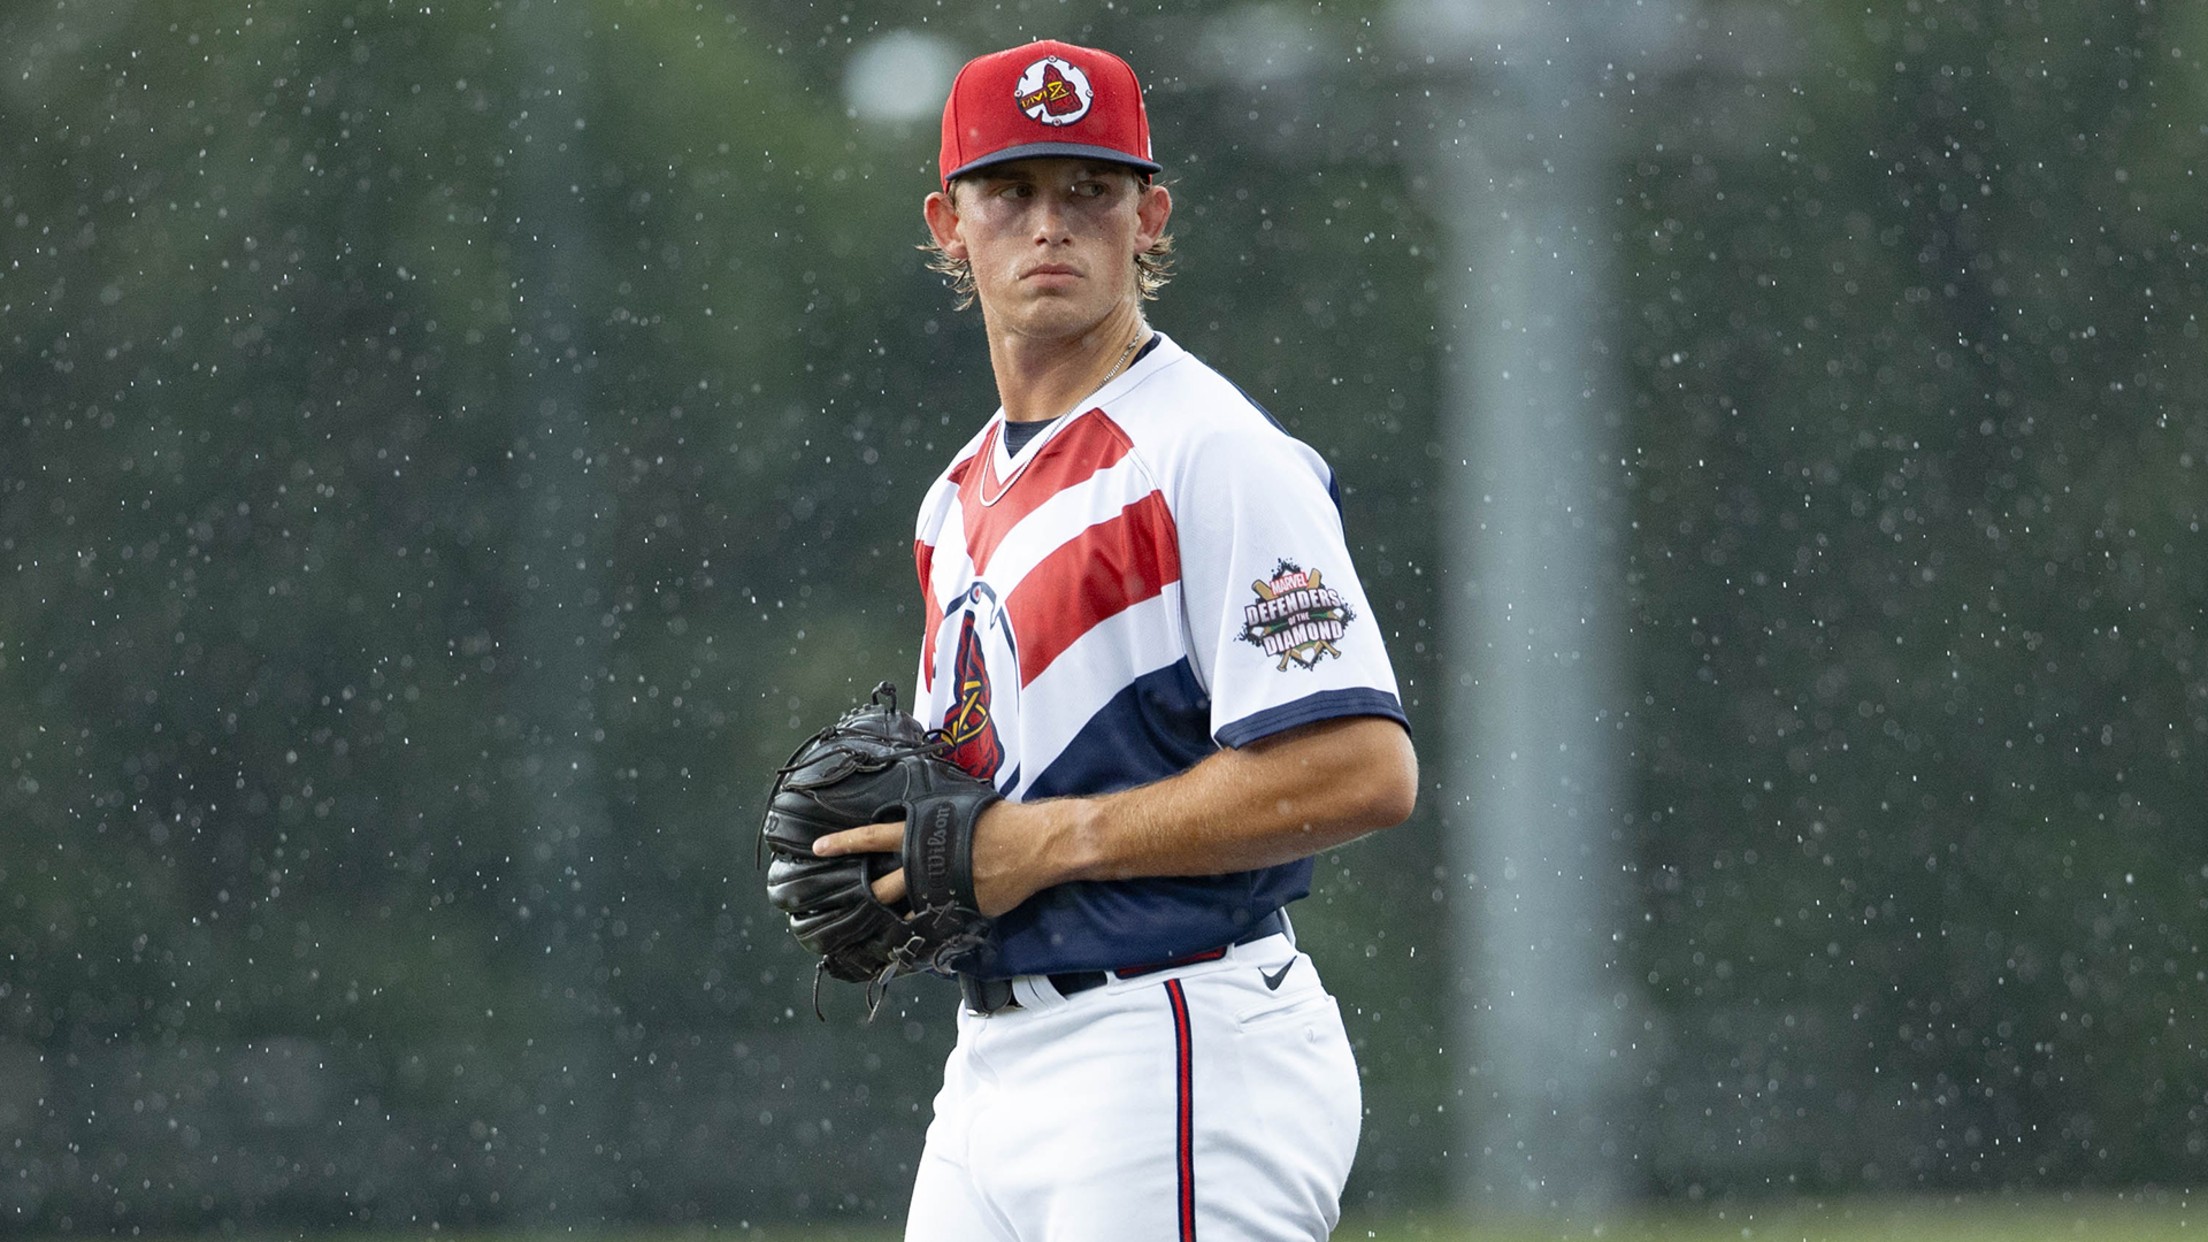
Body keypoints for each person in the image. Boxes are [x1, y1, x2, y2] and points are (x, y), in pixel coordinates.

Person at [812, 37, 1418, 1242]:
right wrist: (910, 868)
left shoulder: (1209, 452)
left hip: (1171, 1041)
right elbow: (994, 807)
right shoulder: (955, 499)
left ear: (1149, 217)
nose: (1051, 224)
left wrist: (1041, 843)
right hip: (992, 1064)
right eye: (1011, 191)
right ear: (948, 224)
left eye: (1089, 188)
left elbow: (1362, 769)